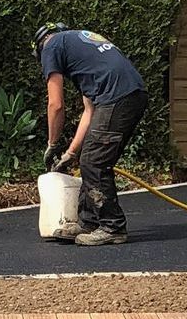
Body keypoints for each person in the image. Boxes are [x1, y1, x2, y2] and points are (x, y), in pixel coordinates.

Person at [36, 23, 149, 245]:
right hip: (131, 96)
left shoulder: (50, 47)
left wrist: (52, 144)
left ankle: (112, 226)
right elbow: (90, 110)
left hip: (117, 98)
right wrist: (70, 152)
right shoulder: (80, 50)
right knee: (90, 157)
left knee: (94, 162)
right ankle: (89, 222)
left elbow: (56, 104)